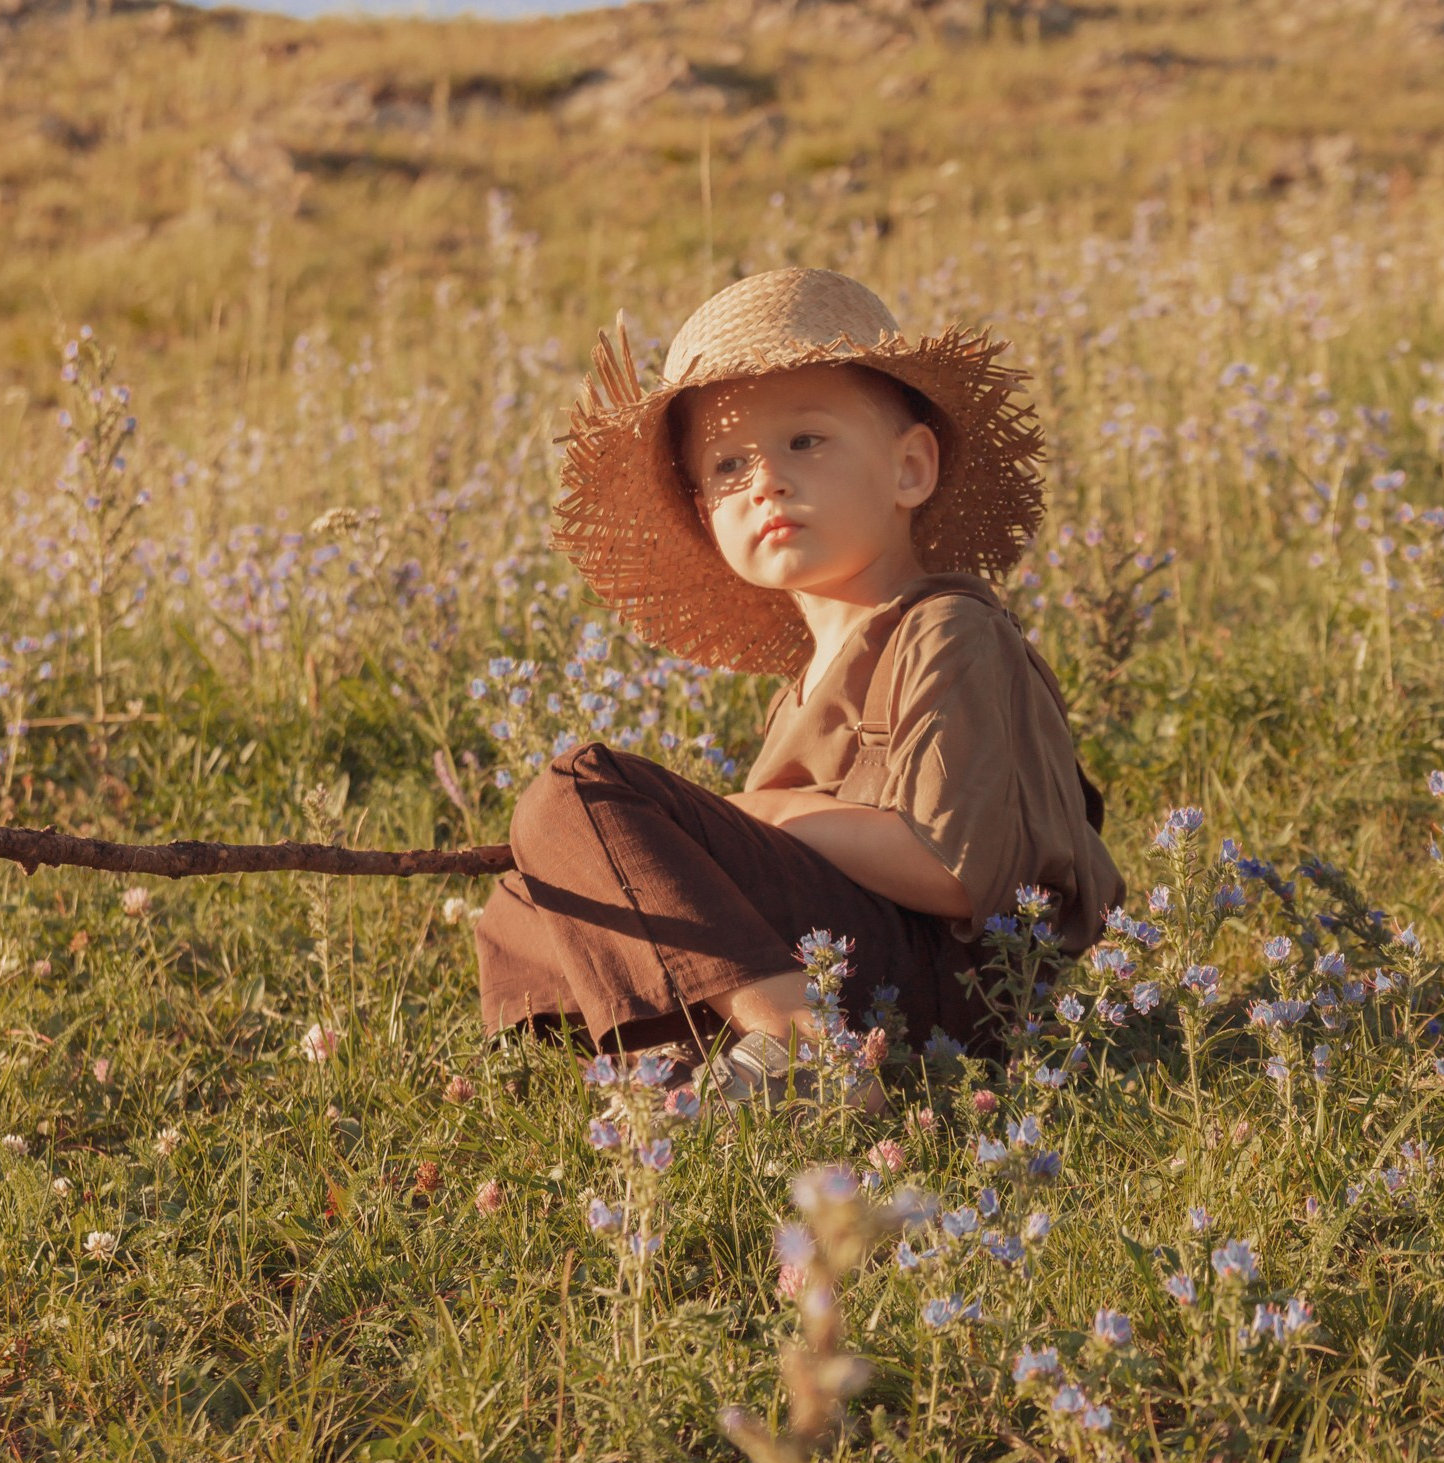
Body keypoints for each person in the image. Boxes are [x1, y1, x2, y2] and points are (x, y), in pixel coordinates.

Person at [473, 266, 1122, 1110]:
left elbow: (955, 872)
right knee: (531, 892)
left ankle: (805, 1052)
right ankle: (693, 1078)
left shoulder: (946, 631)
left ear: (911, 468)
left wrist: (771, 814)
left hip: (964, 994)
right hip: (853, 972)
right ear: (705, 514)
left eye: (805, 442)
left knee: (578, 791)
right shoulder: (799, 690)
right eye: (729, 465)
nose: (766, 482)